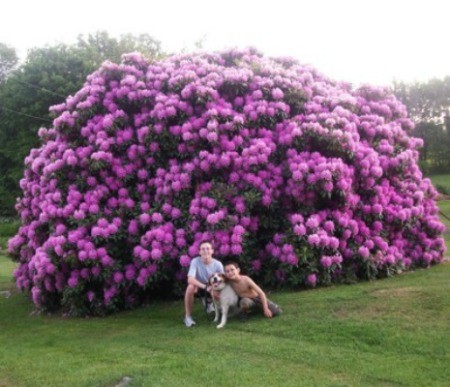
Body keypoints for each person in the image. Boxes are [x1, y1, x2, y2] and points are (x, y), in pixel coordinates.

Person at [183, 241, 224, 327]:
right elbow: (190, 279)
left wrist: (214, 288)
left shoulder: (218, 264)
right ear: (199, 252)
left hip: (213, 286)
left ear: (212, 251)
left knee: (219, 291)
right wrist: (206, 287)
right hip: (200, 286)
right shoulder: (195, 261)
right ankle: (188, 317)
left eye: (208, 248)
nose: (205, 251)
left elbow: (223, 280)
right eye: (203, 249)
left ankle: (214, 308)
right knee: (190, 287)